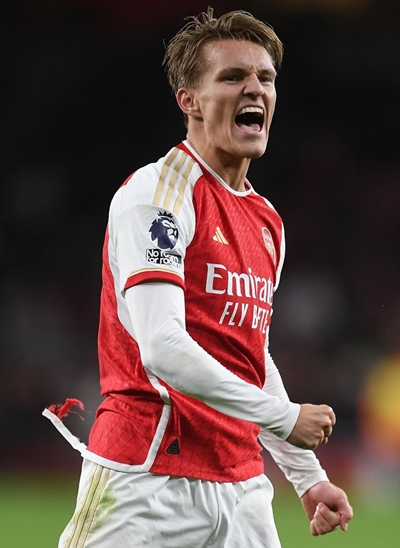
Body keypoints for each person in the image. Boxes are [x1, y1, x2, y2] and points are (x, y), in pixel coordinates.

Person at [44, 7, 353, 547]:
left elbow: (248, 355)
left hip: (241, 487)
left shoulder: (266, 221)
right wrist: (283, 417)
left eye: (265, 78)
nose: (254, 88)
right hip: (147, 479)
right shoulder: (158, 194)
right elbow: (162, 347)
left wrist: (307, 476)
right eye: (232, 77)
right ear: (188, 101)